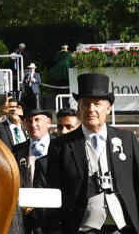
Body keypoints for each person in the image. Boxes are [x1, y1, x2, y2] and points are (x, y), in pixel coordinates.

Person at [46, 73, 139, 233]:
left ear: (108, 108)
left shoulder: (127, 139)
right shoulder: (60, 146)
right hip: (83, 227)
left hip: (123, 227)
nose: (91, 109)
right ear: (79, 108)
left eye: (97, 104)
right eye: (86, 104)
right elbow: (54, 193)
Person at [12, 93, 53, 233]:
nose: (33, 124)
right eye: (28, 121)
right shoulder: (16, 150)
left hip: (52, 216)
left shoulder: (61, 148)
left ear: (48, 122)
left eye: (37, 120)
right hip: (24, 219)